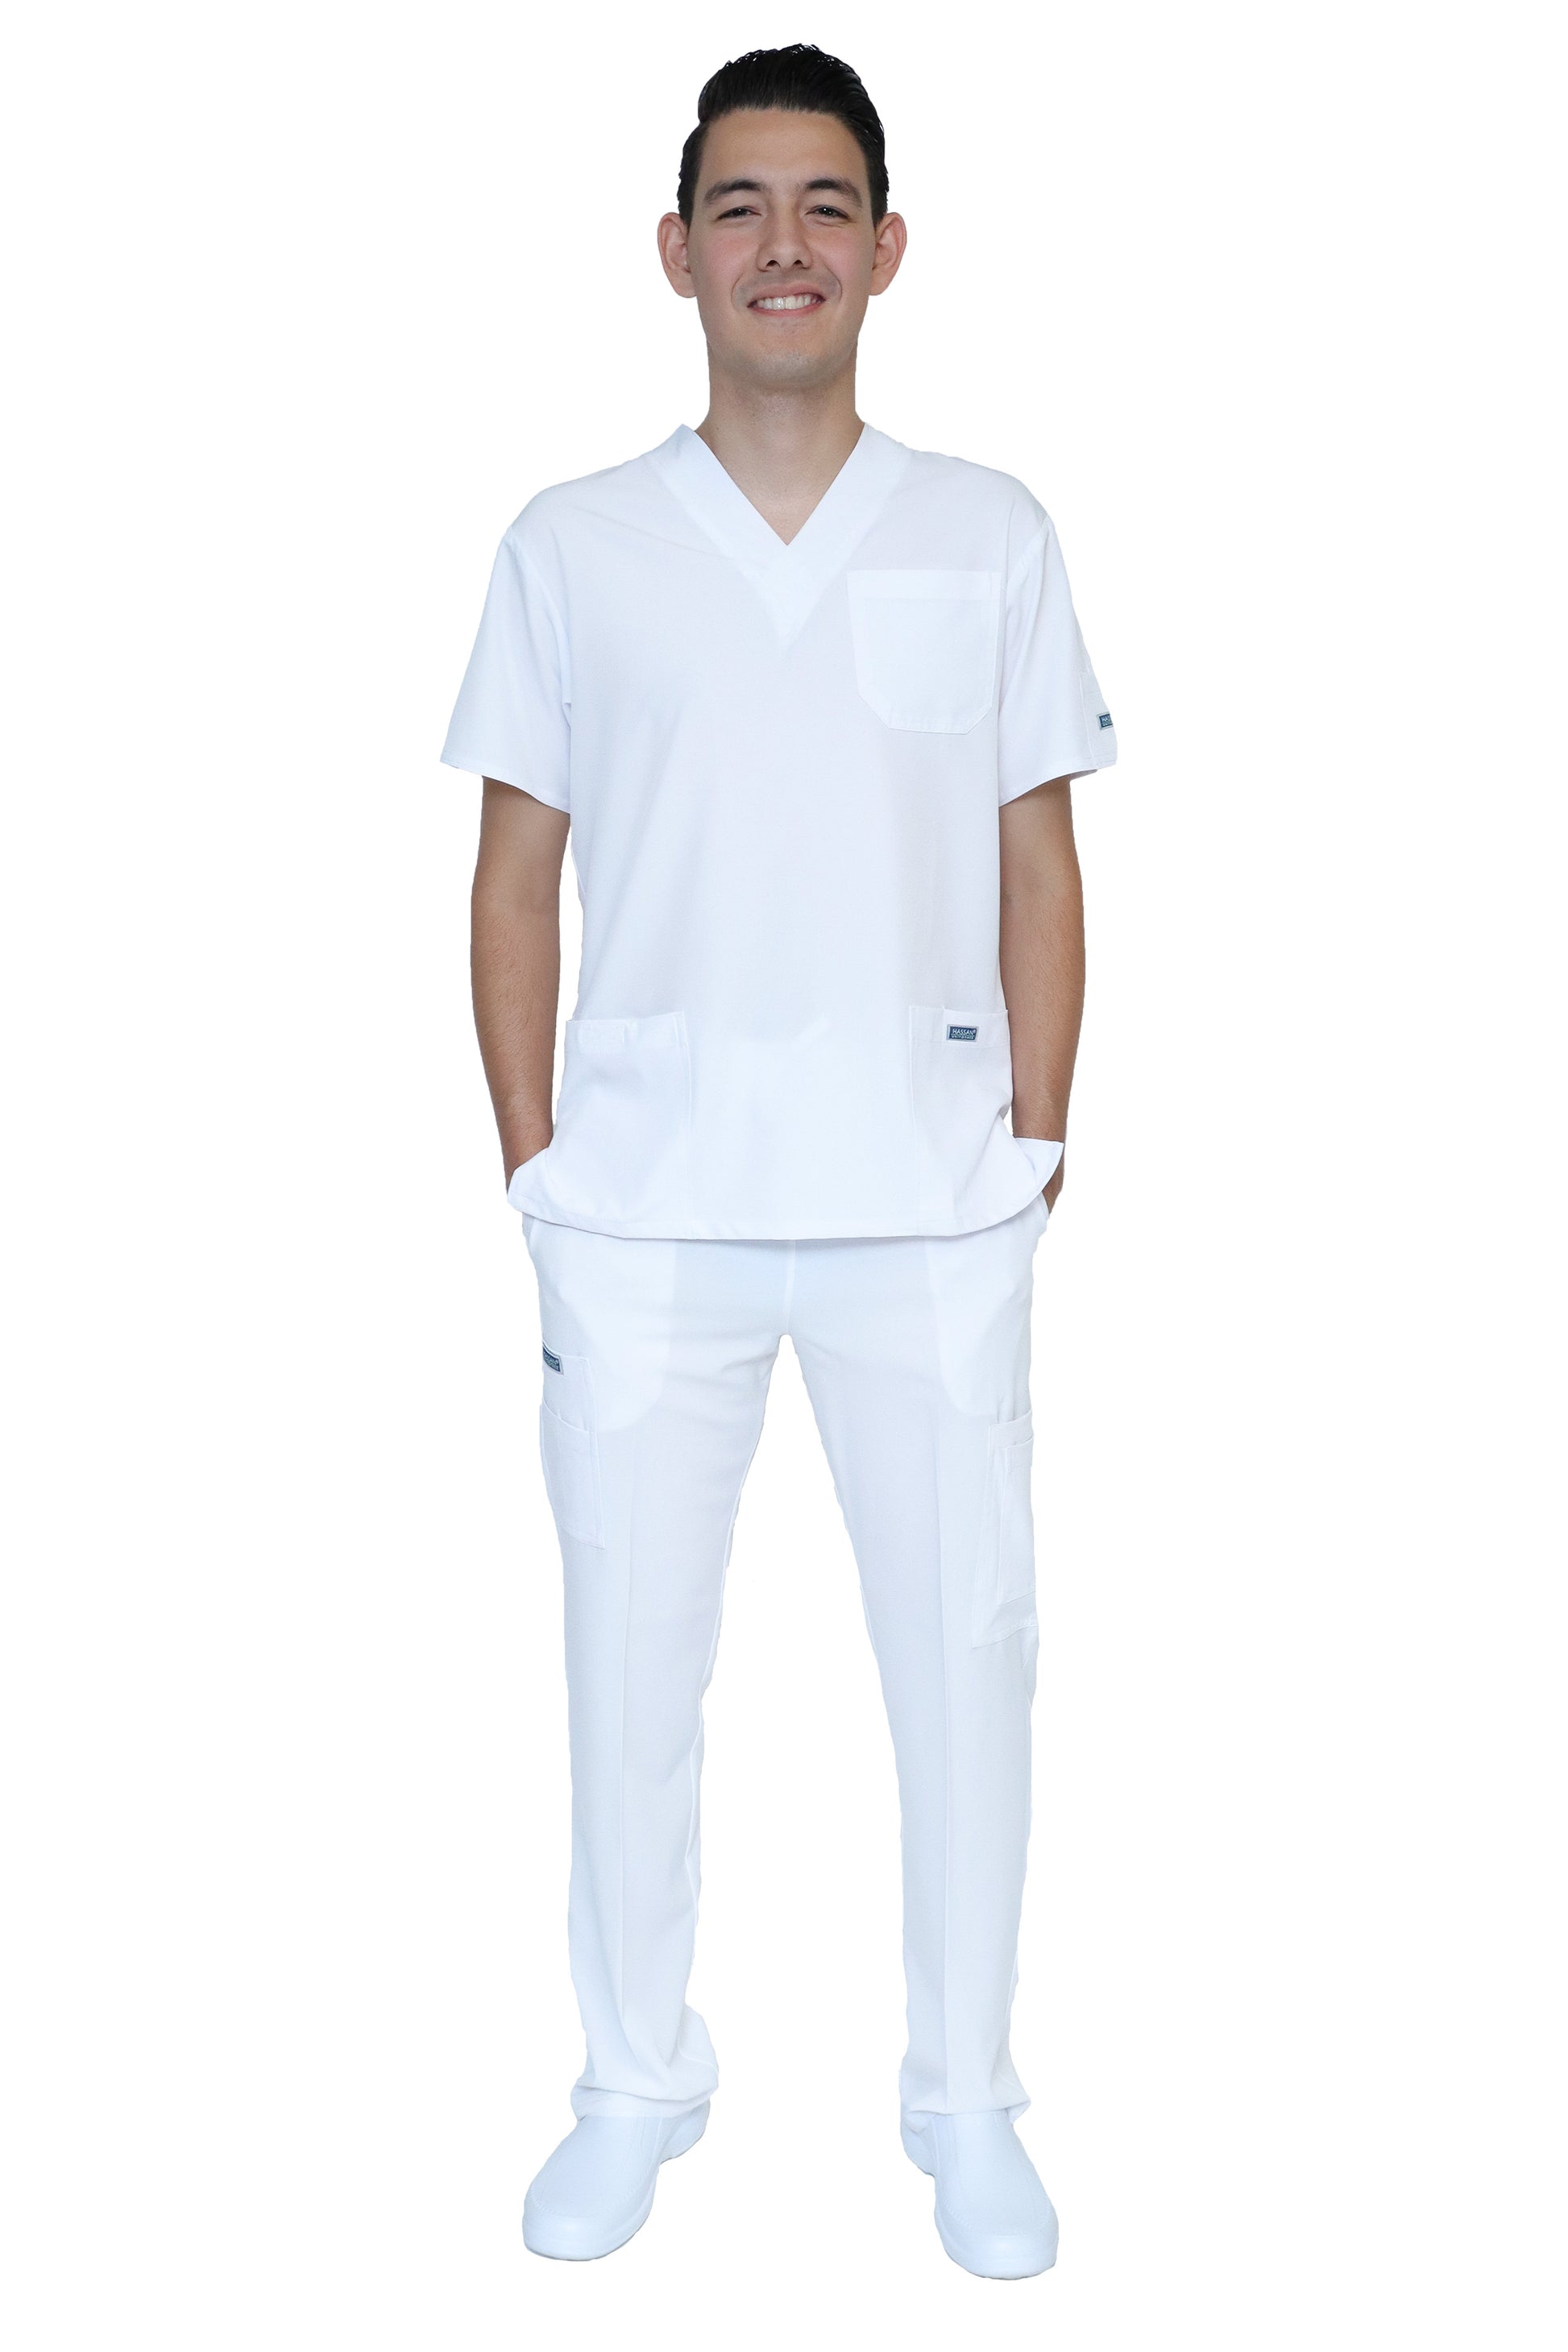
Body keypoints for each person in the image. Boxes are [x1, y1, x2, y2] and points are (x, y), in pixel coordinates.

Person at [441, 43, 1117, 2279]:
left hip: (929, 1207)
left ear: (888, 249)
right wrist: (537, 1168)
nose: (784, 245)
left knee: (969, 1666)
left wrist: (1031, 1147)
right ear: (675, 252)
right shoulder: (575, 545)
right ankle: (634, 2082)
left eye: (826, 204)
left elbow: (1037, 859)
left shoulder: (987, 531)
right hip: (644, 1217)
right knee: (628, 1675)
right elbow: (512, 873)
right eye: (739, 205)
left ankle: (965, 2098)